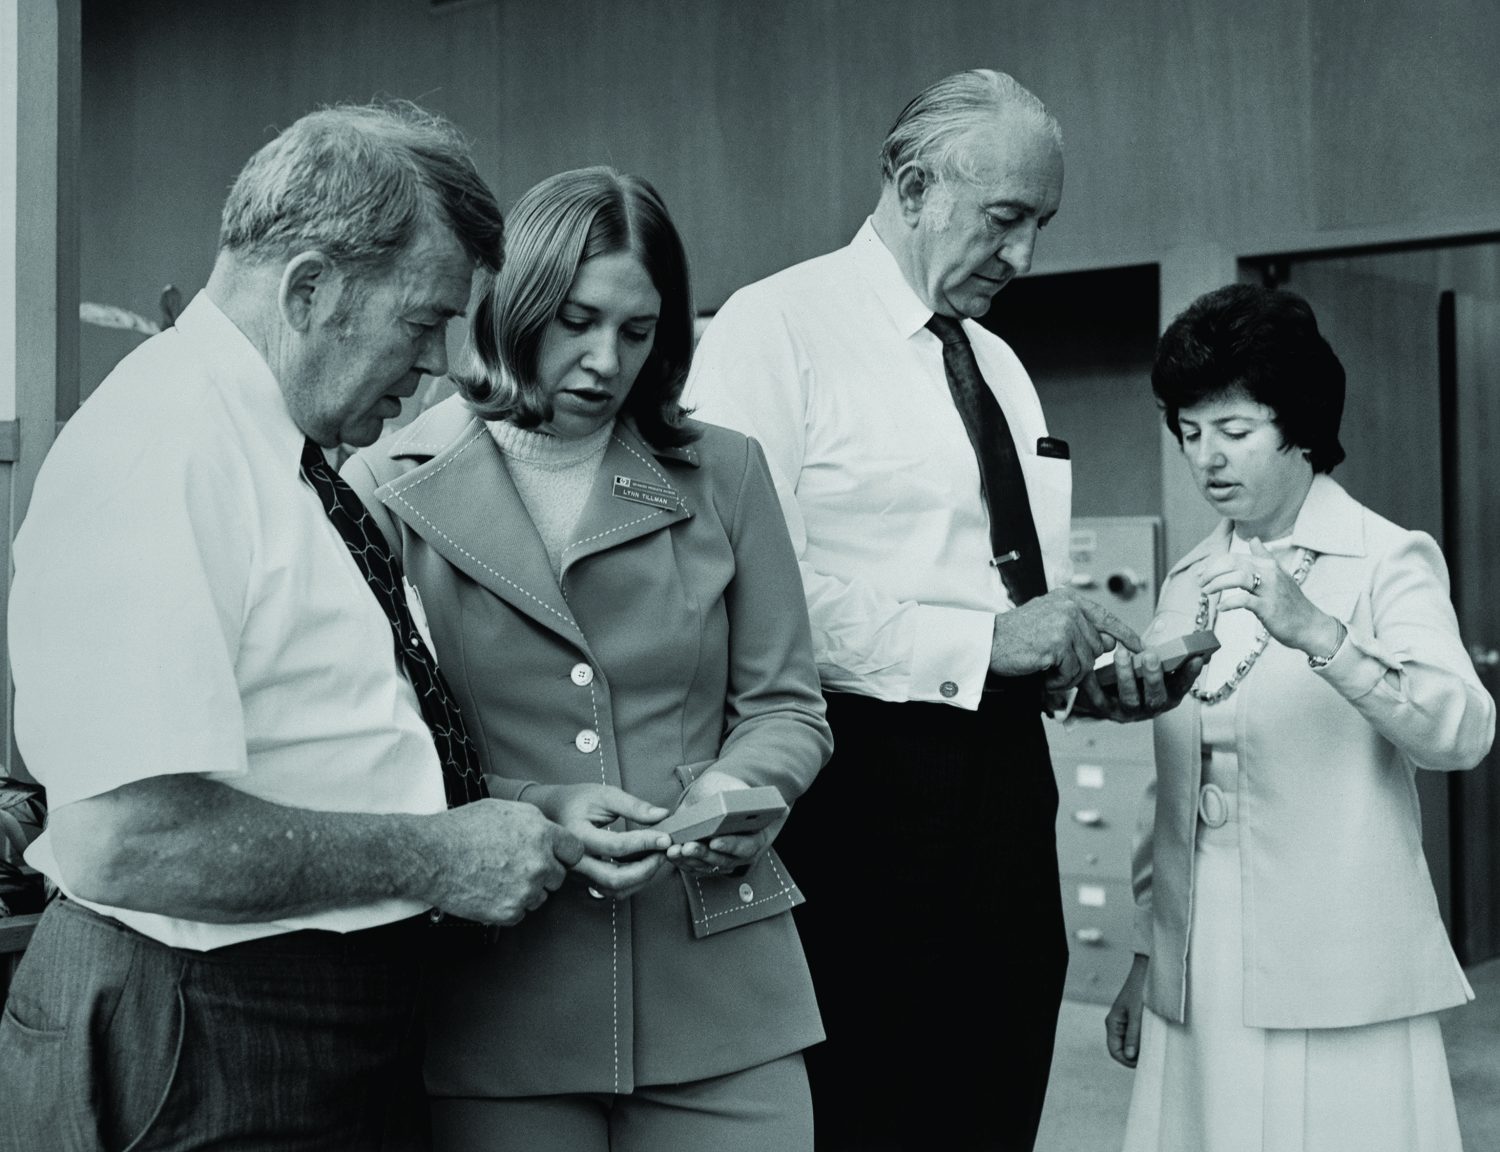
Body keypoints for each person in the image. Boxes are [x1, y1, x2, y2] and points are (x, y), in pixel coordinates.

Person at [0, 103, 585, 1151]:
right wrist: (437, 858)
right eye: (423, 322)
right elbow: (127, 839)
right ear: (312, 287)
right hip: (206, 1035)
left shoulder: (268, 450)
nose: (442, 367)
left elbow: (320, 749)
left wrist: (514, 814)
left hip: (262, 1026)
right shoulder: (165, 452)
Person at [685, 69, 1194, 1151]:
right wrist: (984, 644)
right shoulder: (773, 330)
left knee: (996, 1088)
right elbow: (741, 589)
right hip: (852, 785)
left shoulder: (1003, 366)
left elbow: (1009, 597)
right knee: (868, 1106)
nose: (1024, 257)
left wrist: (1089, 679)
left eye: (1040, 225)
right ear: (914, 185)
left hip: (1007, 788)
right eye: (1005, 220)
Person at [342, 166, 833, 1152]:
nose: (606, 361)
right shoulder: (384, 488)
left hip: (722, 981)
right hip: (495, 992)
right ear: (514, 304)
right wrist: (533, 809)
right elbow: (367, 746)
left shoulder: (727, 471)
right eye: (576, 320)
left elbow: (789, 705)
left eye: (638, 331)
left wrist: (746, 784)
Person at [1105, 283, 1495, 1151]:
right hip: (1198, 961)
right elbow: (1167, 789)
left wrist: (1323, 635)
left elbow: (1462, 732)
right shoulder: (1187, 581)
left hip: (1336, 959)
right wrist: (1144, 955)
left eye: (1235, 431)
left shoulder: (1388, 558)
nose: (1207, 458)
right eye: (1190, 431)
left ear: (1300, 425)